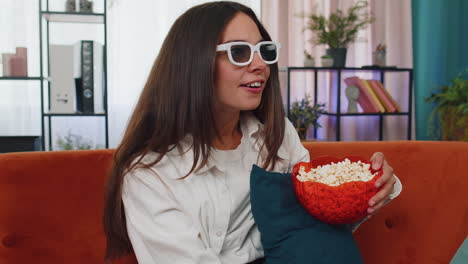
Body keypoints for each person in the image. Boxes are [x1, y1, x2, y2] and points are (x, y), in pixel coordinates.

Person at [103, 1, 402, 263]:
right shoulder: (150, 173)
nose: (260, 65)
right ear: (193, 64)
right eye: (239, 52)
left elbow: (314, 225)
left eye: (264, 51)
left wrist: (372, 188)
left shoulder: (279, 136)